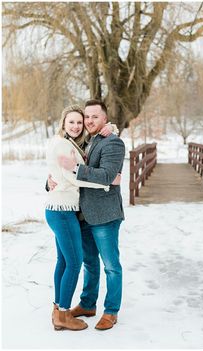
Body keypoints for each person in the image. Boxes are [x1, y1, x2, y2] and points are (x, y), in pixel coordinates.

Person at [45, 104, 118, 331]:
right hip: (64, 210)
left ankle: (60, 310)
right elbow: (72, 177)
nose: (79, 125)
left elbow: (68, 174)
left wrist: (111, 127)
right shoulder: (63, 144)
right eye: (74, 121)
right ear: (63, 124)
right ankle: (63, 314)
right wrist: (105, 184)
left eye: (81, 121)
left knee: (67, 262)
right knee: (75, 262)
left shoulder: (80, 142)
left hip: (68, 210)